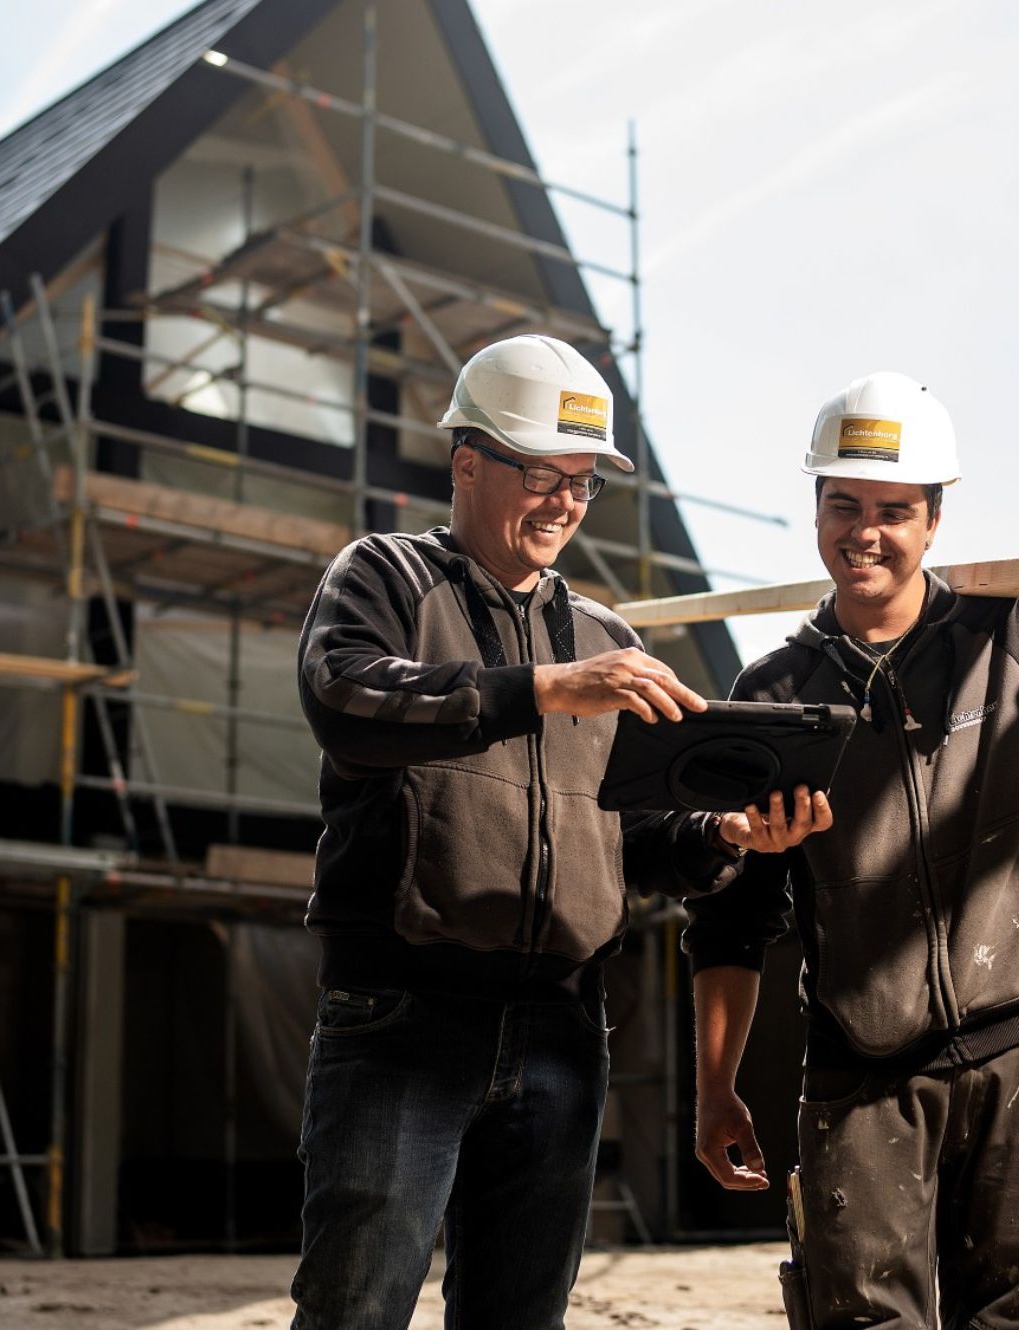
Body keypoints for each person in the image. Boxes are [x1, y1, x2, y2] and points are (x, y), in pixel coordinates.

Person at [291, 333, 830, 1329]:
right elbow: (346, 701)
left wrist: (723, 835)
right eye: (542, 474)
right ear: (466, 462)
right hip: (404, 1014)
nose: (564, 504)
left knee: (520, 1316)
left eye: (580, 483)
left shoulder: (609, 641)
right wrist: (543, 687)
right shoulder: (384, 578)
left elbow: (626, 838)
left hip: (562, 1030)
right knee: (354, 1309)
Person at [683, 371, 1019, 1330]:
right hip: (862, 1072)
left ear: (934, 521)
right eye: (843, 504)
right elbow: (730, 915)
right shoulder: (771, 694)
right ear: (814, 511)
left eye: (893, 510)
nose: (865, 532)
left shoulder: (1006, 630)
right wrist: (713, 1088)